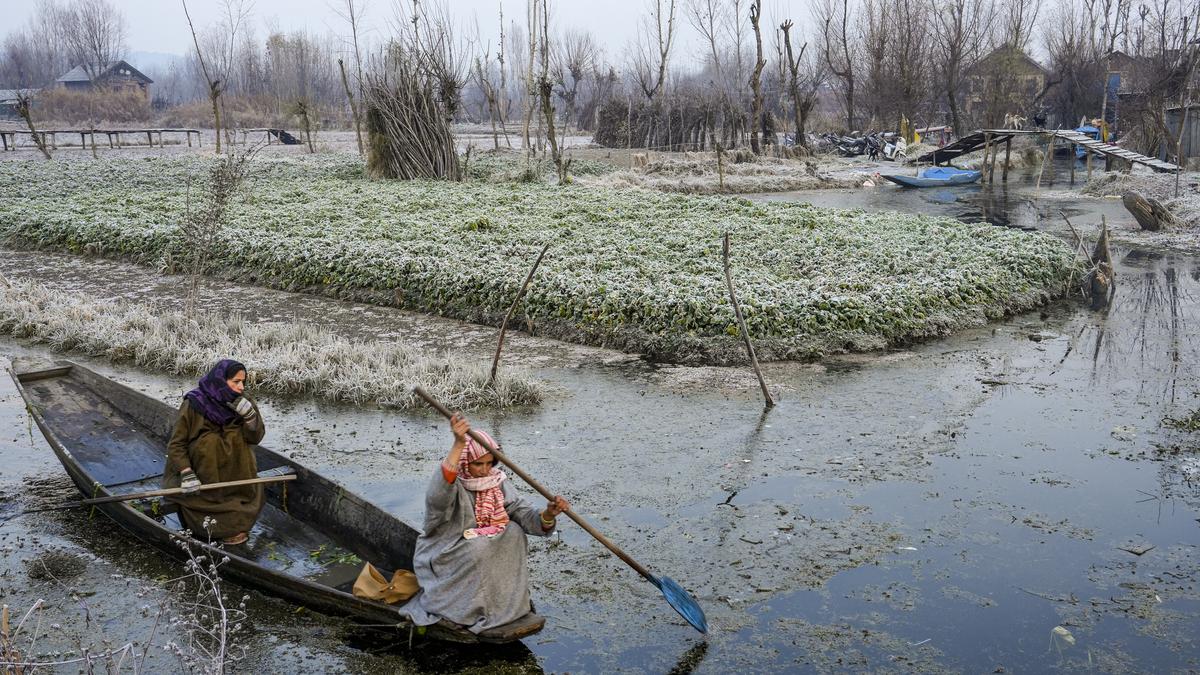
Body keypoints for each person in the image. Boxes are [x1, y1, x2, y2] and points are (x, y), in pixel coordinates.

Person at [402, 413, 569, 634]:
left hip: (482, 545)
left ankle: (504, 606)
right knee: (478, 547)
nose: (484, 469)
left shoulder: (495, 480)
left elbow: (520, 511)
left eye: (490, 463)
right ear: (464, 462)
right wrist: (459, 443)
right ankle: (466, 610)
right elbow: (437, 498)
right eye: (478, 463)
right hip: (448, 549)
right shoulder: (453, 482)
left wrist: (548, 514)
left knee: (514, 532)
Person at [163, 359, 265, 546]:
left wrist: (251, 418)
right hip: (204, 481)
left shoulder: (243, 402)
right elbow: (177, 444)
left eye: (243, 382)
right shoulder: (195, 403)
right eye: (236, 382)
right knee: (209, 442)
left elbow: (255, 438)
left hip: (237, 478)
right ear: (220, 380)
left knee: (236, 439)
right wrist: (186, 473)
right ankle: (213, 520)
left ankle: (235, 505)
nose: (241, 387)